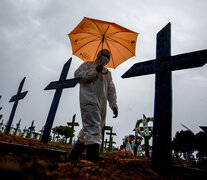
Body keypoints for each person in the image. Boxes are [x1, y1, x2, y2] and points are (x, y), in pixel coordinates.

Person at [68, 49, 118, 162]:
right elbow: (78, 77)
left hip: (102, 104)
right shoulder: (87, 65)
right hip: (89, 100)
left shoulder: (107, 73)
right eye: (104, 55)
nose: (105, 58)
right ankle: (92, 161)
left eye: (108, 57)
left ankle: (72, 158)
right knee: (93, 128)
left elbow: (111, 89)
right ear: (98, 55)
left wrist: (113, 105)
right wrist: (95, 71)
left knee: (89, 130)